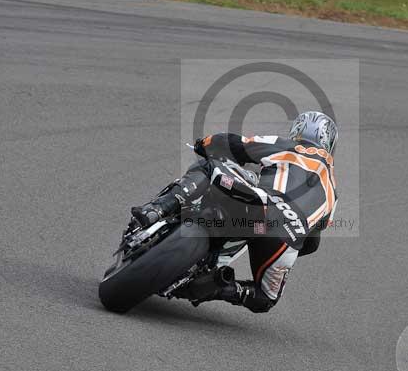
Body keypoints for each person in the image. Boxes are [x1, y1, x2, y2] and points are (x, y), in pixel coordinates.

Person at [130, 111, 338, 313]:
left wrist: (204, 143)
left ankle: (157, 209)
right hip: (284, 235)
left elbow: (237, 145)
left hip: (260, 205)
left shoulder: (291, 146)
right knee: (264, 298)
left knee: (208, 166)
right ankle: (216, 286)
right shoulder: (333, 191)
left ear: (298, 130)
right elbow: (312, 243)